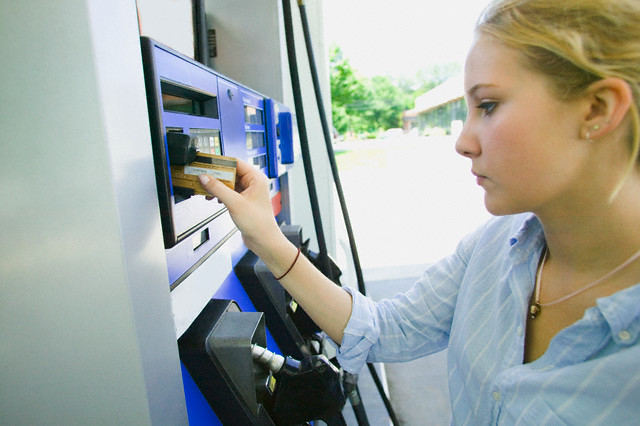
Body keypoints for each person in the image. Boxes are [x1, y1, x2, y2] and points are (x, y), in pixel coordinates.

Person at [198, 0, 640, 423]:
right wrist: (267, 240)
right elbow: (387, 330)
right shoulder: (493, 246)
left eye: (488, 106)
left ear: (596, 109)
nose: (463, 141)